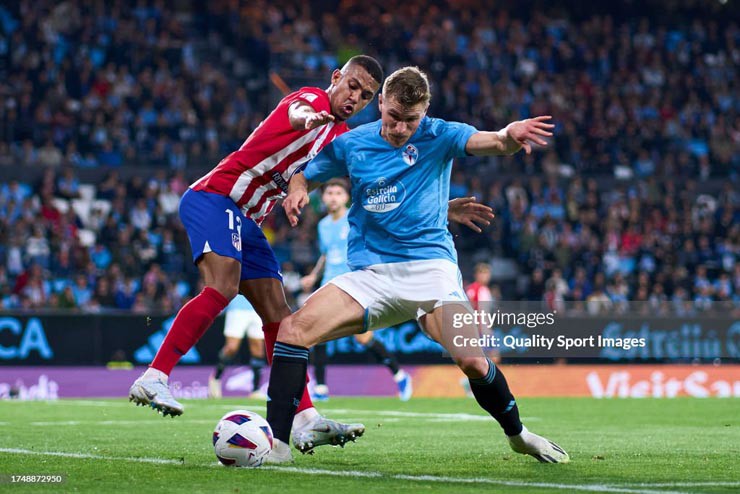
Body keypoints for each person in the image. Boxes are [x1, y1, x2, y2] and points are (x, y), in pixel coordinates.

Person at [127, 56, 492, 461]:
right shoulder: (311, 100)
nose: (355, 97)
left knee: (280, 318)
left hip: (247, 220)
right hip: (216, 197)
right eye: (351, 86)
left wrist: (441, 209)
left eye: (366, 95)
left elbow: (377, 197)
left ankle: (304, 418)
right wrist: (309, 117)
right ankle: (155, 376)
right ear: (336, 78)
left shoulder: (342, 139)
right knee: (223, 285)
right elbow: (299, 109)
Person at [267, 66, 569, 463]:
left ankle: (519, 435)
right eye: (393, 117)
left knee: (472, 360)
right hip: (370, 275)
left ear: (424, 113)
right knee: (291, 331)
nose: (399, 128)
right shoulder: (352, 143)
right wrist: (298, 190)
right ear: (380, 104)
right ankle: (277, 448)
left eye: (411, 120)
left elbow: (492, 141)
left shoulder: (440, 134)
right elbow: (306, 175)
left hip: (432, 271)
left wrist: (509, 137)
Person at [301, 179, 413, 402]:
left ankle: (399, 375)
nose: (333, 196)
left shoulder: (354, 218)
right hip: (330, 284)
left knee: (361, 338)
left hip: (354, 284)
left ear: (346, 197)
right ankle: (321, 387)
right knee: (317, 332)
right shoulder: (323, 225)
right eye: (329, 192)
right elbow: (326, 253)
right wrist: (314, 275)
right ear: (323, 198)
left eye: (338, 193)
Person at [208, 295, 266, 399]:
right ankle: (215, 379)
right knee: (231, 348)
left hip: (258, 307)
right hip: (237, 308)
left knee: (258, 351)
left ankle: (255, 390)